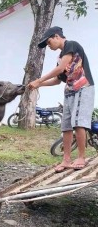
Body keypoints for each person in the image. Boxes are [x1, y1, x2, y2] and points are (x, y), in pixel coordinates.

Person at [28, 26, 95, 172]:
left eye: (49, 42)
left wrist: (38, 80)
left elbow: (60, 69)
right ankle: (66, 159)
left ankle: (81, 157)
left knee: (78, 122)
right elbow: (58, 79)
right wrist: (38, 85)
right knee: (66, 125)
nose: (49, 46)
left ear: (57, 36)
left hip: (83, 87)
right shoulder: (60, 57)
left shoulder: (71, 44)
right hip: (69, 91)